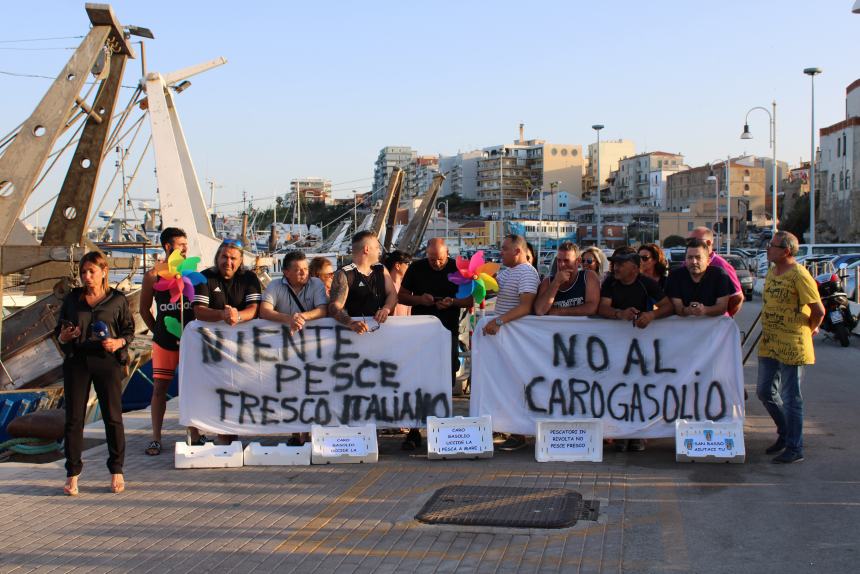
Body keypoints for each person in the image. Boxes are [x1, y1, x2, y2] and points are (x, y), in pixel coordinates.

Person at [56, 252, 134, 496]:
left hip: (106, 360)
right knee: (74, 419)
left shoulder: (116, 300)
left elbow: (129, 330)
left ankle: (116, 469)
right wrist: (64, 336)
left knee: (113, 417)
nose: (87, 277)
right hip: (77, 360)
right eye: (83, 273)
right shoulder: (72, 299)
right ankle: (72, 473)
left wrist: (118, 342)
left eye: (91, 272)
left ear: (103, 271)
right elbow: (59, 330)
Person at [399, 238, 475, 449]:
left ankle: (441, 426)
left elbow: (471, 299)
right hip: (420, 333)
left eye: (440, 260)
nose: (436, 264)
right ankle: (414, 430)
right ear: (427, 255)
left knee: (445, 379)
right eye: (432, 259)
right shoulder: (416, 268)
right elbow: (401, 296)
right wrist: (420, 300)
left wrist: (453, 302)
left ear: (447, 254)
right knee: (418, 380)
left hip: (447, 332)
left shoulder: (458, 269)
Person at [756, 231, 824, 464]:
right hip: (770, 343)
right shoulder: (772, 272)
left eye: (772, 246)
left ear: (786, 251)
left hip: (792, 345)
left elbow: (818, 310)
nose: (768, 249)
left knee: (791, 397)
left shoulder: (799, 275)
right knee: (765, 391)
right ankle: (785, 434)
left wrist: (811, 329)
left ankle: (795, 447)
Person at [598, 246, 673, 454]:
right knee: (618, 389)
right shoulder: (610, 282)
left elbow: (667, 306)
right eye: (614, 263)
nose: (616, 267)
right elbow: (602, 308)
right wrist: (619, 314)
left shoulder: (646, 283)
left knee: (640, 390)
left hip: (642, 347)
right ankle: (621, 434)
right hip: (615, 346)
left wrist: (651, 316)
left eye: (621, 264)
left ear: (634, 267)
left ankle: (638, 434)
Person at [193, 239, 262, 444]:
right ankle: (222, 437)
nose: (228, 262)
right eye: (224, 257)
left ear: (241, 261)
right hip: (212, 349)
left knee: (239, 389)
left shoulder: (249, 278)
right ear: (217, 257)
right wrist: (222, 315)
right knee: (217, 391)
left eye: (233, 258)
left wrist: (237, 316)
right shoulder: (204, 277)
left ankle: (232, 435)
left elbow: (254, 309)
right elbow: (198, 310)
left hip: (242, 348)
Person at [260, 250, 327, 445]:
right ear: (286, 272)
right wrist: (288, 318)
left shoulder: (316, 284)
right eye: (298, 270)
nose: (303, 273)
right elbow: (264, 311)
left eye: (305, 269)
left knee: (313, 388)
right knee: (290, 389)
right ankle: (296, 433)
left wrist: (302, 317)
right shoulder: (274, 285)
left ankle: (311, 433)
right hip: (285, 349)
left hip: (314, 347)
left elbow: (323, 309)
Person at [139, 227, 195, 456]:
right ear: (168, 247)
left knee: (192, 388)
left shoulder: (191, 273)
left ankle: (195, 433)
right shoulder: (153, 275)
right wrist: (158, 331)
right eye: (181, 245)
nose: (185, 249)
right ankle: (155, 437)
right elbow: (143, 310)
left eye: (186, 244)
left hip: (190, 341)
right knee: (160, 388)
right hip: (164, 342)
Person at [482, 234, 540, 451]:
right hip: (506, 338)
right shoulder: (509, 272)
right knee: (505, 384)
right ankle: (506, 426)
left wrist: (498, 321)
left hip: (515, 339)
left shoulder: (526, 272)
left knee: (516, 385)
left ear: (517, 251)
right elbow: (490, 292)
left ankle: (519, 433)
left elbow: (526, 306)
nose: (501, 253)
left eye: (505, 249)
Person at [328, 230, 398, 334]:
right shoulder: (345, 274)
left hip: (381, 332)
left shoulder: (381, 269)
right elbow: (334, 307)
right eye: (377, 247)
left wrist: (386, 309)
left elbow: (392, 294)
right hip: (355, 333)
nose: (379, 251)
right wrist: (351, 323)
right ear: (366, 249)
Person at [665, 238, 736, 317]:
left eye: (698, 257)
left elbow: (722, 307)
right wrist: (688, 310)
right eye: (690, 257)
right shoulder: (675, 276)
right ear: (685, 259)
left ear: (708, 261)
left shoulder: (720, 275)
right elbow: (678, 308)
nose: (694, 262)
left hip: (714, 327)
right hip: (683, 326)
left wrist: (704, 310)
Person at [687, 226, 744, 316]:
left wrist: (724, 316)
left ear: (709, 243)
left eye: (694, 240)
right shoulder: (687, 263)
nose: (690, 243)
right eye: (689, 240)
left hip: (715, 325)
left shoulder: (722, 266)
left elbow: (737, 297)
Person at [534, 241, 600, 316]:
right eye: (559, 260)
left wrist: (557, 311)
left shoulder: (588, 276)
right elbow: (539, 310)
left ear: (578, 261)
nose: (561, 265)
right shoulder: (548, 282)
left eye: (566, 261)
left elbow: (592, 308)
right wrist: (556, 283)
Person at [384, 250, 412, 316]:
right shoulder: (383, 286)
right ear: (398, 265)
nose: (410, 267)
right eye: (408, 264)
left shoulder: (407, 288)